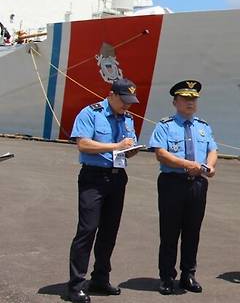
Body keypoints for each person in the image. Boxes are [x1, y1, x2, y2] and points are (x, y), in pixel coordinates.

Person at [66, 78, 141, 303]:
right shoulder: (91, 113)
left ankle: (100, 278)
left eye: (130, 101)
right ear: (111, 95)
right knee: (87, 229)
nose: (127, 106)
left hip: (118, 177)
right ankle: (76, 284)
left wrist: (131, 150)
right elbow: (83, 144)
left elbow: (129, 147)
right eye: (124, 100)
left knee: (110, 230)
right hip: (94, 177)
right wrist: (116, 147)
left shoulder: (127, 119)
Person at [149, 80, 218, 295]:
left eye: (193, 99)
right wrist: (187, 164)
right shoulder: (165, 125)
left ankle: (188, 274)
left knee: (192, 231)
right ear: (175, 101)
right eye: (185, 98)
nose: (190, 102)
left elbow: (212, 149)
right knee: (169, 231)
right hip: (172, 183)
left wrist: (210, 166)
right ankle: (167, 276)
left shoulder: (203, 126)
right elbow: (161, 153)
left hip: (197, 184)